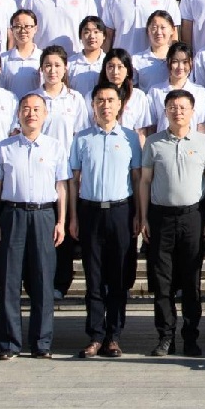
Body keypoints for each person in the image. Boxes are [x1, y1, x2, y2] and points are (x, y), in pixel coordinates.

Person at [0, 93, 67, 359]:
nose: (31, 114)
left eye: (36, 109)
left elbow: (61, 187)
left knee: (43, 280)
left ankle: (41, 343)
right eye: (26, 109)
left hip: (44, 215)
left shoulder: (55, 147)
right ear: (18, 113)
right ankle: (9, 343)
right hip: (13, 214)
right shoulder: (4, 147)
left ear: (45, 114)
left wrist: (61, 221)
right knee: (10, 280)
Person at [139, 89, 205, 357]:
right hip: (160, 217)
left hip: (193, 217)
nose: (178, 112)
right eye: (172, 107)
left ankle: (191, 337)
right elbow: (145, 181)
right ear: (165, 111)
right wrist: (143, 217)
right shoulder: (154, 142)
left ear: (193, 111)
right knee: (162, 282)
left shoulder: (204, 142)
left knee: (191, 281)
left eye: (183, 107)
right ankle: (165, 337)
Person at [70, 83, 140, 358]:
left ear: (120, 104)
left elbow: (137, 179)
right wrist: (73, 217)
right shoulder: (82, 138)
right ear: (93, 105)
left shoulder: (130, 138)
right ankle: (96, 336)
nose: (106, 105)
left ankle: (114, 336)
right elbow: (74, 180)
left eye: (111, 100)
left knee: (119, 276)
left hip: (121, 211)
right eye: (100, 100)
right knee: (94, 276)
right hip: (90, 211)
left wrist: (139, 214)